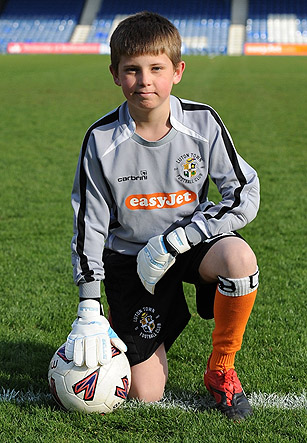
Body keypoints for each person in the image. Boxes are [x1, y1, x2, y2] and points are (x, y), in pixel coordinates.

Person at [65, 11, 260, 421]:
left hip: (187, 246)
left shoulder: (203, 123)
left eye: (157, 68)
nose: (145, 81)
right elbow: (90, 226)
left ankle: (222, 369)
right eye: (132, 70)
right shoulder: (101, 139)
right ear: (115, 74)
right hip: (132, 261)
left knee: (239, 260)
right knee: (145, 393)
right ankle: (135, 328)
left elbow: (244, 192)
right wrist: (88, 306)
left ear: (178, 71)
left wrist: (179, 239)